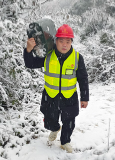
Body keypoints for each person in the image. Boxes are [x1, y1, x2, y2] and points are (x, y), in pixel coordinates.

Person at [23, 24, 89, 153]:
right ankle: (54, 128)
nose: (64, 44)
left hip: (69, 97)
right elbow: (30, 64)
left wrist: (84, 97)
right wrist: (28, 50)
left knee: (69, 122)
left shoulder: (77, 58)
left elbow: (83, 78)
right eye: (61, 41)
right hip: (50, 96)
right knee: (49, 121)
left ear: (71, 42)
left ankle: (65, 142)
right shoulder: (48, 55)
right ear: (55, 41)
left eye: (68, 41)